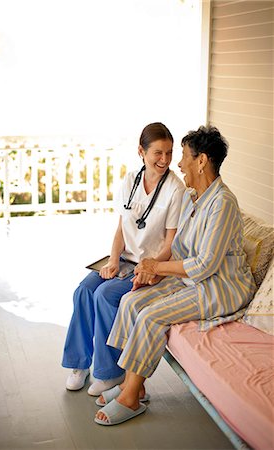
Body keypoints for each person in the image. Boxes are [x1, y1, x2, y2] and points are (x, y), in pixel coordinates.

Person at [94, 125, 256, 425]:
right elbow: (180, 250)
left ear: (201, 161)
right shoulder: (196, 198)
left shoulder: (222, 204)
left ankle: (130, 399)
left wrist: (156, 267)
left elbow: (205, 265)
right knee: (132, 302)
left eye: (182, 156)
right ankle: (136, 387)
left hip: (221, 287)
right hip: (193, 280)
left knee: (150, 316)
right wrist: (155, 274)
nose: (178, 163)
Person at [62, 122, 185, 396]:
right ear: (141, 151)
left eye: (169, 152)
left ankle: (110, 372)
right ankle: (79, 364)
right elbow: (120, 229)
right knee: (83, 290)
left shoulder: (175, 189)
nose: (164, 160)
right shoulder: (130, 180)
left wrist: (150, 266)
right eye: (157, 153)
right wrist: (113, 261)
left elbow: (170, 243)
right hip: (125, 261)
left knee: (104, 295)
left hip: (152, 266)